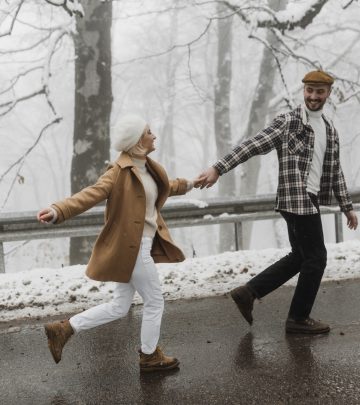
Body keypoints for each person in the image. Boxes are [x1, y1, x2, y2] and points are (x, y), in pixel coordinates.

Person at [196, 70, 358, 334]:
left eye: (319, 92)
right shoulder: (289, 122)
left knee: (300, 257)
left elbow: (335, 170)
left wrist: (347, 207)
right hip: (296, 199)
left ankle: (248, 292)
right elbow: (253, 144)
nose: (313, 97)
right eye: (309, 91)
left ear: (328, 93)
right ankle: (297, 319)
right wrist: (218, 168)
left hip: (311, 199)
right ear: (303, 90)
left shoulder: (329, 130)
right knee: (316, 258)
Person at [37, 114, 197, 372]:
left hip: (138, 247)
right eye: (148, 132)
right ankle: (149, 356)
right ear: (137, 141)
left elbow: (164, 185)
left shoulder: (147, 167)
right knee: (155, 301)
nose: (154, 135)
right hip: (133, 249)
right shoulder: (118, 172)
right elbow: (89, 195)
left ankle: (64, 329)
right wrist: (59, 210)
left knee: (120, 306)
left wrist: (190, 184)